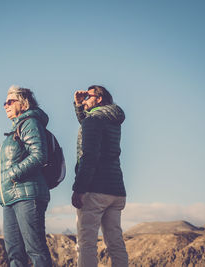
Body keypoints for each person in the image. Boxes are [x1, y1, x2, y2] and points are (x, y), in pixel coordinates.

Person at [0, 85, 52, 267]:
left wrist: (11, 174)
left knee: (35, 251)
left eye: (10, 101)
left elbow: (39, 155)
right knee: (14, 255)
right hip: (10, 197)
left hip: (28, 196)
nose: (6, 105)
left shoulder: (30, 122)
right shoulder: (15, 130)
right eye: (5, 102)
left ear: (24, 103)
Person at [72, 85, 128, 267]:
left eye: (88, 96)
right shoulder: (112, 119)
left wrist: (79, 189)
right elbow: (87, 123)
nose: (85, 99)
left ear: (99, 98)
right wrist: (79, 106)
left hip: (95, 190)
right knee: (115, 243)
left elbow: (89, 156)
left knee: (86, 243)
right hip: (116, 190)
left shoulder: (94, 120)